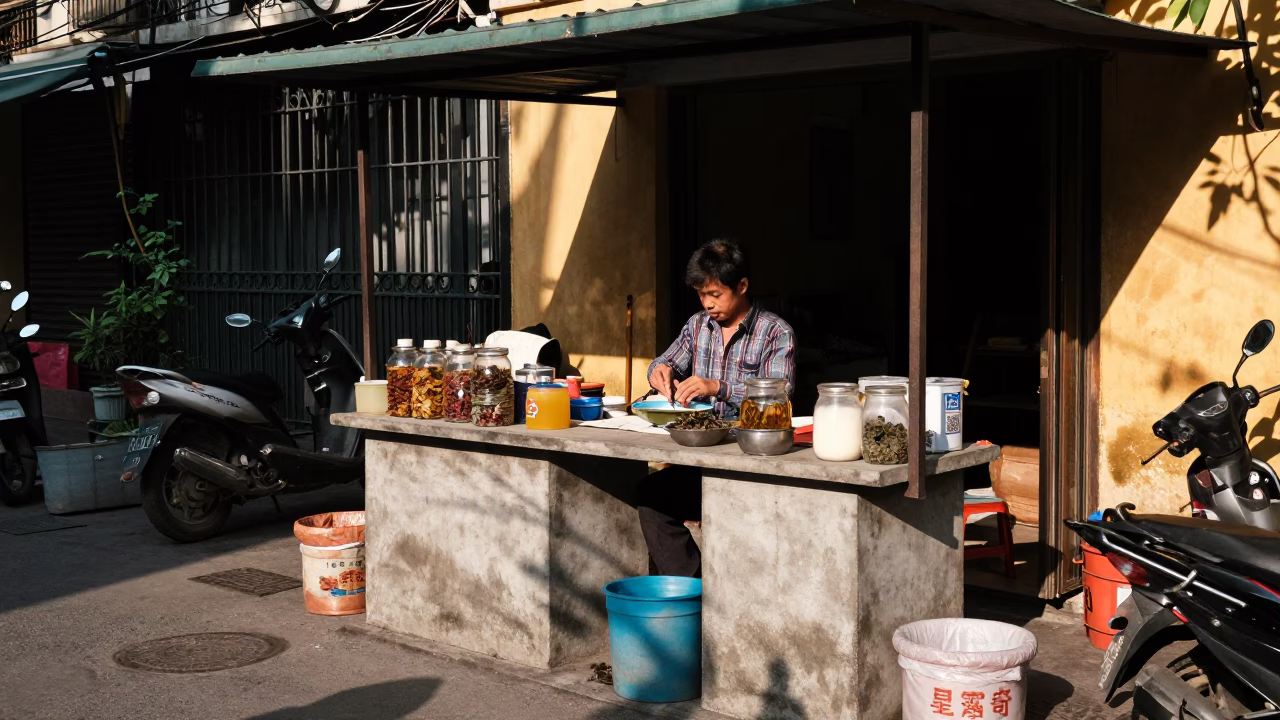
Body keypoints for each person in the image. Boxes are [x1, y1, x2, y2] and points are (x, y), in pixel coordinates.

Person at [638, 238, 796, 577]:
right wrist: (659, 374)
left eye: (715, 294)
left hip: (751, 465)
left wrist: (718, 387)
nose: (708, 304)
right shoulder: (697, 327)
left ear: (741, 286)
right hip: (699, 458)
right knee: (652, 496)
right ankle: (694, 594)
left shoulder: (775, 333)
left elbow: (779, 393)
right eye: (701, 295)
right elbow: (662, 362)